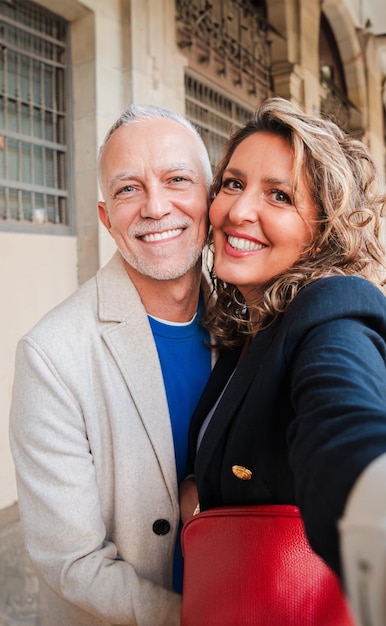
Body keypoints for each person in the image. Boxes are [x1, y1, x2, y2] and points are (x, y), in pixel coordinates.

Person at [181, 96, 386, 626]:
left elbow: (345, 426)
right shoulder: (251, 322)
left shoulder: (335, 308)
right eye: (233, 184)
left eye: (280, 196)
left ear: (323, 230)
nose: (238, 210)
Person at [9, 104, 213, 626]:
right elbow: (72, 561)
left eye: (177, 179)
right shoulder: (52, 356)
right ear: (106, 217)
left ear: (210, 200)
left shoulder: (249, 320)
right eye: (127, 189)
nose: (155, 206)